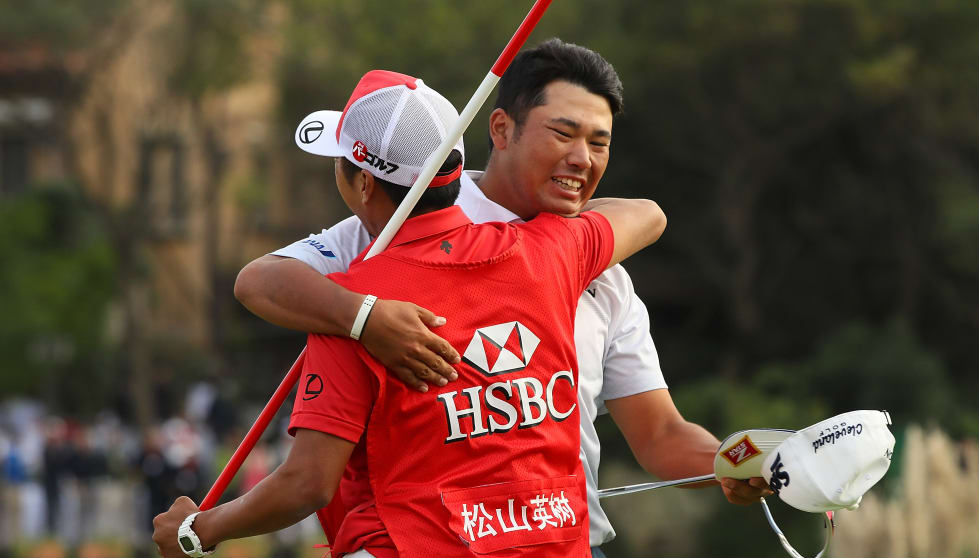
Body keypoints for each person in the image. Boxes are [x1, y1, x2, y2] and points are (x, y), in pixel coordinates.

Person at [232, 39, 771, 555]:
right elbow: (259, 281)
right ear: (501, 129)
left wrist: (734, 461)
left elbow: (661, 435)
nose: (581, 158)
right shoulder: (402, 217)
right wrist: (365, 316)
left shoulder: (600, 268)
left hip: (566, 544)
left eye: (599, 142)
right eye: (563, 133)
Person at [152, 69, 665, 557]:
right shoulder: (550, 252)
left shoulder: (343, 304)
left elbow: (307, 484)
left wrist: (198, 531)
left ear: (364, 184)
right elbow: (647, 214)